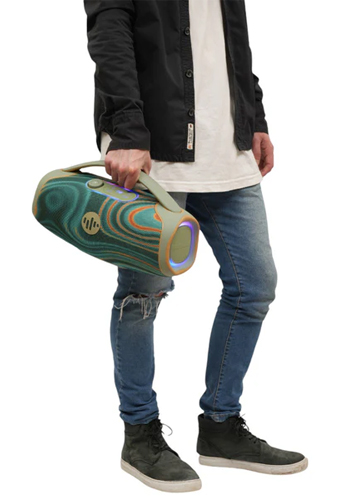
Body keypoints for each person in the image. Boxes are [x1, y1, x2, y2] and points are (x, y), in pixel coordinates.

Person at [84, 0, 308, 492]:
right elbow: (109, 32)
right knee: (144, 294)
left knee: (255, 286)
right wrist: (125, 129)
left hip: (227, 144)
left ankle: (221, 425)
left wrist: (255, 116)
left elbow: (232, 40)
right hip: (152, 150)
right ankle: (140, 433)